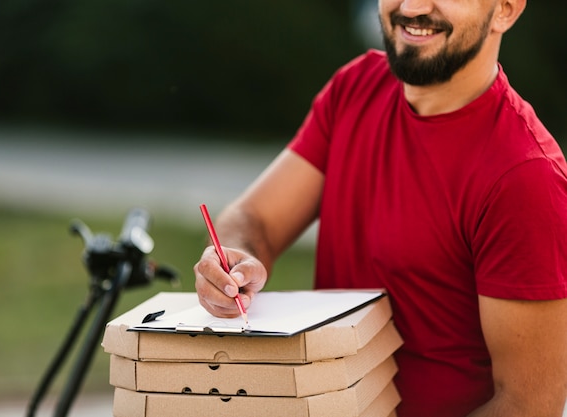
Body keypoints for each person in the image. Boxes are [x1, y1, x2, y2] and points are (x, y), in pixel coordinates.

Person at [193, 0, 567, 415]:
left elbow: (529, 405)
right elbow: (255, 219)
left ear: (505, 10)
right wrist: (233, 261)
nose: (412, 6)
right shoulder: (356, 86)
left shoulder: (525, 176)